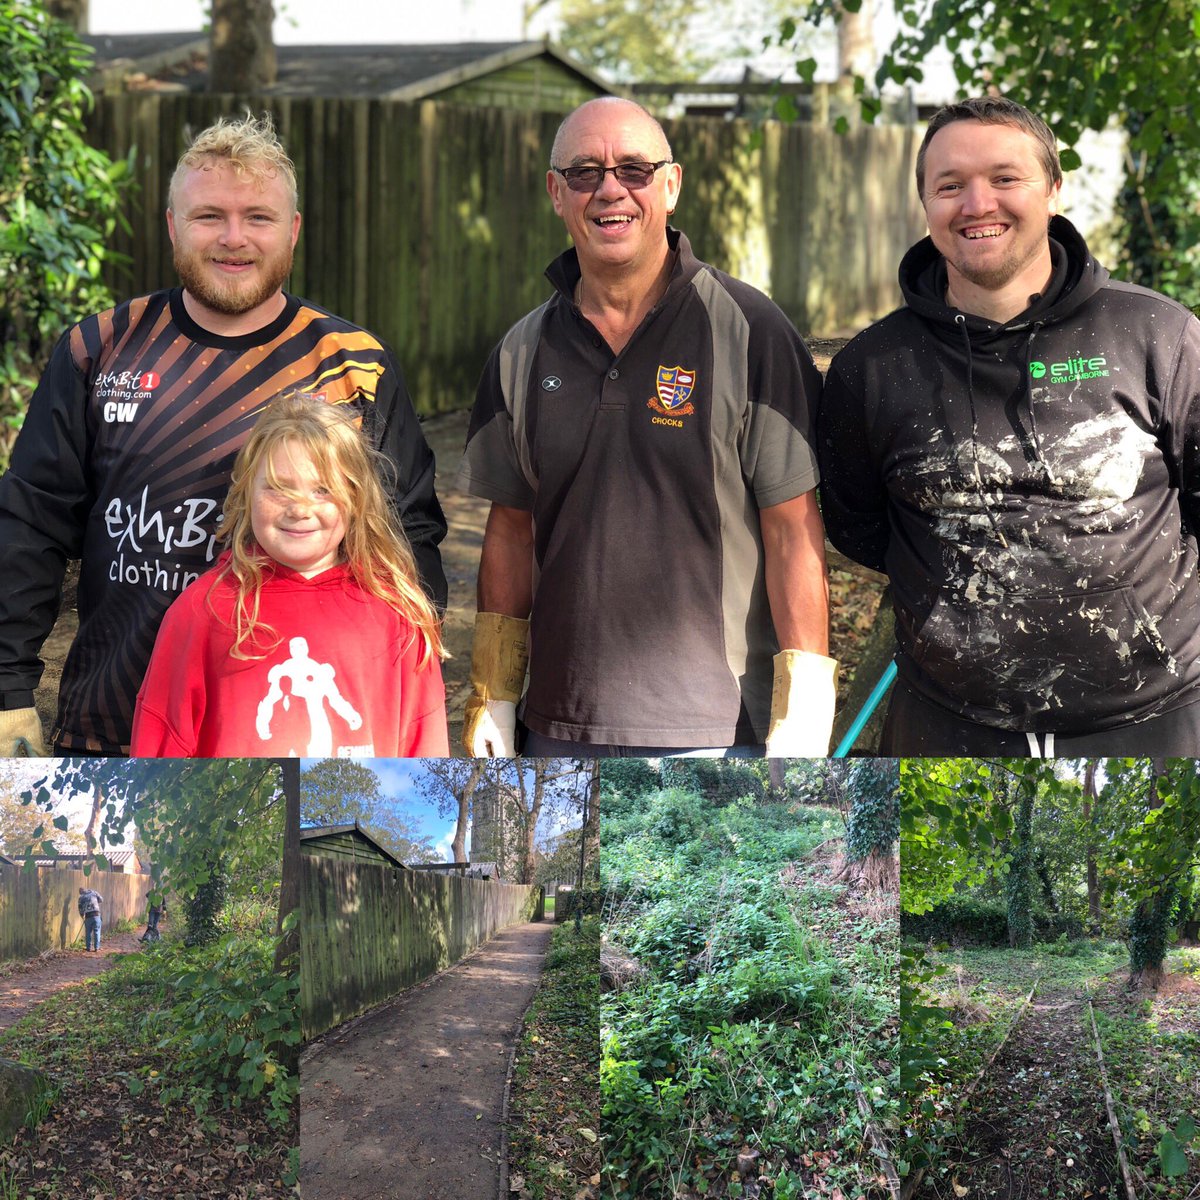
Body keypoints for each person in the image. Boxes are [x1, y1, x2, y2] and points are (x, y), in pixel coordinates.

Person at [0, 113, 446, 757]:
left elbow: (409, 537)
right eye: (209, 215)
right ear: (173, 225)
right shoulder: (100, 350)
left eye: (258, 217)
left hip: (296, 746)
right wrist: (9, 689)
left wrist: (403, 684)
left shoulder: (353, 363)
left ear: (292, 231)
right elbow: (29, 524)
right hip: (113, 728)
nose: (234, 238)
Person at [818, 96, 1200, 755]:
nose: (976, 204)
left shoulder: (1156, 335)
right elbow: (857, 526)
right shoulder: (873, 368)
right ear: (926, 204)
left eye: (1004, 178)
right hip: (946, 727)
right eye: (950, 185)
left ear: (1053, 189)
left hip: (1155, 722)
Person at [456, 97, 836, 757]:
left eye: (634, 168)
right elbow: (511, 536)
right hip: (558, 723)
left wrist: (803, 715)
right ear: (556, 192)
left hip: (718, 732)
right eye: (584, 172)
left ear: (671, 185)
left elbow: (793, 534)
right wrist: (495, 694)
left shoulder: (750, 332)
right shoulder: (519, 354)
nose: (610, 189)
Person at [130, 394, 448, 756]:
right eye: (279, 489)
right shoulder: (203, 612)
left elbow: (425, 746)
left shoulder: (398, 614)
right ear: (247, 491)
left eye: (323, 489)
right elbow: (159, 750)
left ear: (356, 496)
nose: (300, 509)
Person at [77, 886, 103, 952]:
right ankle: (97, 948)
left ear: (80, 892)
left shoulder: (81, 898)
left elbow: (80, 908)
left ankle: (88, 948)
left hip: (88, 917)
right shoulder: (94, 892)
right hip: (96, 915)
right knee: (97, 931)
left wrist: (82, 916)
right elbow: (101, 900)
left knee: (88, 932)